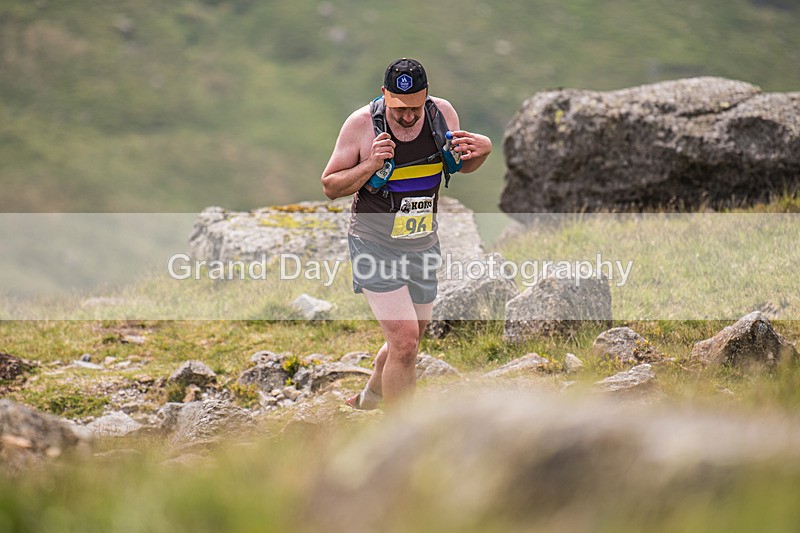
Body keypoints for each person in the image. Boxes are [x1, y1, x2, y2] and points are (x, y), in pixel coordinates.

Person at [321, 58, 492, 409]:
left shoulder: (441, 115)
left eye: (415, 106)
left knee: (409, 338)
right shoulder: (361, 125)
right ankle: (400, 430)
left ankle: (369, 398)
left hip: (422, 243)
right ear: (384, 95)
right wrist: (371, 163)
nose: (409, 116)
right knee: (405, 341)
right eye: (399, 109)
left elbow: (459, 164)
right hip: (374, 243)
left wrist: (483, 151)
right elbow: (330, 186)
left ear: (426, 96)